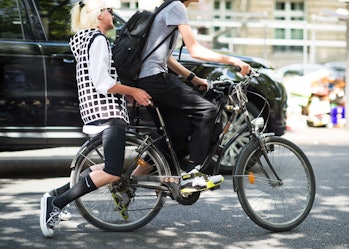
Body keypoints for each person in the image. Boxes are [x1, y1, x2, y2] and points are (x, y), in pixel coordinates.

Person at [39, 0, 152, 238]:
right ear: (98, 15)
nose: (112, 14)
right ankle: (56, 203)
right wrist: (133, 91)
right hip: (107, 113)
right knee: (112, 171)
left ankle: (53, 195)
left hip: (94, 111)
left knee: (105, 167)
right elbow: (103, 83)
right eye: (109, 10)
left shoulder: (84, 39)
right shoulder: (98, 40)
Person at [137, 0, 251, 192]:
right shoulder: (177, 7)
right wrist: (233, 60)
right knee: (208, 110)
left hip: (149, 79)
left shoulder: (168, 7)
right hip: (155, 79)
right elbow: (194, 49)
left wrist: (193, 78)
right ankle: (193, 175)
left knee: (177, 133)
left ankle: (129, 182)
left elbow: (166, 58)